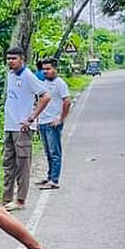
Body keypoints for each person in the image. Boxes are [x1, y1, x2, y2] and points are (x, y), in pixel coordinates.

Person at [2, 46, 50, 211]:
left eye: (14, 58)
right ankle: (6, 198)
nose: (10, 62)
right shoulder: (10, 75)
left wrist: (31, 118)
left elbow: (45, 96)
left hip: (22, 128)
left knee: (22, 164)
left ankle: (20, 200)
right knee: (8, 163)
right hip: (9, 126)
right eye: (8, 58)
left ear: (22, 59)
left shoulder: (28, 76)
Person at [35, 58, 71, 190]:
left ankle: (54, 179)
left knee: (54, 152)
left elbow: (67, 101)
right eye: (44, 69)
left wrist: (61, 119)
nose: (45, 71)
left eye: (48, 69)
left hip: (52, 123)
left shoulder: (60, 83)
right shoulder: (42, 83)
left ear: (55, 69)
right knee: (48, 152)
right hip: (43, 121)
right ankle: (49, 176)